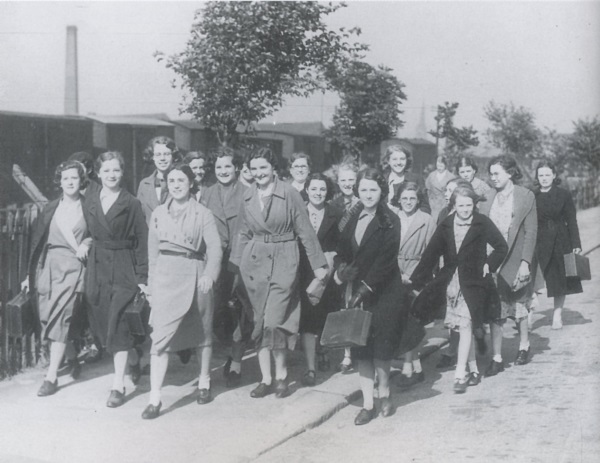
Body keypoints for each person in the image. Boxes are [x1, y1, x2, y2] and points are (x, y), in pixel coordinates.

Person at [230, 147, 328, 399]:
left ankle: (282, 375)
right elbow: (242, 231)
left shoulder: (290, 193)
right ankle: (266, 378)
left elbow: (305, 230)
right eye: (254, 169)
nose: (259, 173)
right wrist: (236, 265)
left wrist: (319, 265)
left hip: (284, 259)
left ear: (273, 168)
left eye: (263, 167)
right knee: (260, 321)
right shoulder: (248, 195)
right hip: (254, 262)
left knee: (275, 321)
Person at [141, 163, 222, 419]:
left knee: (201, 332)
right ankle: (155, 398)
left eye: (181, 181)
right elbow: (152, 253)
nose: (176, 185)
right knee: (160, 339)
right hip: (165, 276)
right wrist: (151, 286)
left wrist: (210, 274)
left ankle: (204, 382)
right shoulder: (158, 213)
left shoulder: (203, 214)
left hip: (195, 275)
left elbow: (216, 249)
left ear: (191, 184)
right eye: (172, 181)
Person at [410, 186, 507, 393]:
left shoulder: (482, 223)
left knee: (465, 326)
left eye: (469, 205)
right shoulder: (446, 225)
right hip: (452, 284)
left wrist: (489, 264)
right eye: (461, 205)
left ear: (474, 205)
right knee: (465, 328)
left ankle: (459, 374)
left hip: (475, 283)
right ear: (453, 205)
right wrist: (415, 280)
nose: (465, 209)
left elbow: (501, 246)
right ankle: (473, 369)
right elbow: (431, 254)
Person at [334, 168, 406, 425]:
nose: (367, 194)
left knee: (381, 350)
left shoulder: (390, 219)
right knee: (361, 349)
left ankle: (384, 390)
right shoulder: (351, 216)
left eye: (373, 189)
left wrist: (364, 289)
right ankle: (367, 404)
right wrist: (341, 270)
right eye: (363, 189)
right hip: (356, 290)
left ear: (382, 191)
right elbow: (341, 249)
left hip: (384, 292)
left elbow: (386, 262)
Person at [84, 151, 148, 408]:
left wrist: (142, 277)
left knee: (119, 324)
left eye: (116, 170)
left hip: (123, 266)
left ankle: (117, 384)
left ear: (122, 173)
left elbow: (142, 241)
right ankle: (133, 357)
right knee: (103, 323)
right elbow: (88, 230)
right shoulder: (90, 200)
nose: (111, 175)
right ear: (98, 173)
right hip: (97, 267)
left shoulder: (131, 203)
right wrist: (85, 241)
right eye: (106, 170)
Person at [23, 161, 91, 396]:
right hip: (49, 267)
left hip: (74, 267)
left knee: (61, 317)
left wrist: (86, 242)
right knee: (47, 318)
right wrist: (27, 275)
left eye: (74, 178)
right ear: (59, 182)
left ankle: (51, 377)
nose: (70, 182)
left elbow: (99, 235)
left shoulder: (89, 207)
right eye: (65, 178)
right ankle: (72, 358)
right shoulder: (51, 208)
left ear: (81, 180)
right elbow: (37, 243)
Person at [479, 155, 539, 376]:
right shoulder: (486, 198)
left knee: (519, 306)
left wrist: (525, 262)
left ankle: (523, 345)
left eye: (497, 173)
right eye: (491, 173)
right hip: (493, 260)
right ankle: (497, 357)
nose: (493, 178)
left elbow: (531, 231)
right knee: (497, 309)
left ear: (511, 173)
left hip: (515, 258)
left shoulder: (526, 196)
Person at [201, 147, 252, 388]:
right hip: (215, 261)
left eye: (228, 166)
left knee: (239, 311)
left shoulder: (247, 193)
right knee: (215, 312)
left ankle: (237, 362)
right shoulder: (207, 194)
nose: (223, 171)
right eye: (219, 167)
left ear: (237, 168)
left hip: (240, 260)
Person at [388, 182, 436, 388]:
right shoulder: (391, 218)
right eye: (404, 198)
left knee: (411, 322)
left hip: (416, 274)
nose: (408, 202)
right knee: (396, 322)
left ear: (418, 200)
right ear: (398, 199)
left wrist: (415, 275)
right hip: (392, 273)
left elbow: (432, 253)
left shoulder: (426, 220)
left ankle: (408, 368)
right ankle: (416, 367)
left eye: (412, 199)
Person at [299, 173, 343, 386]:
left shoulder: (336, 213)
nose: (318, 193)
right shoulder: (298, 212)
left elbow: (342, 244)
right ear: (306, 190)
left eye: (322, 189)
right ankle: (310, 368)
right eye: (314, 189)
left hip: (327, 273)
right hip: (303, 272)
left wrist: (332, 261)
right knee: (307, 320)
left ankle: (323, 350)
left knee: (324, 317)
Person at [534, 160, 583, 329]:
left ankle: (557, 316)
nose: (544, 178)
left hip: (561, 241)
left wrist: (576, 243)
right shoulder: (532, 196)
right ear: (537, 177)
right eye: (541, 175)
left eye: (547, 175)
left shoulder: (563, 194)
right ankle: (528, 316)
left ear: (554, 175)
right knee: (535, 280)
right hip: (539, 241)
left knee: (560, 279)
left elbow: (571, 220)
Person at [329, 160, 360, 373]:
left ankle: (363, 350)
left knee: (361, 305)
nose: (347, 184)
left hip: (361, 259)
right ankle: (347, 354)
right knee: (345, 305)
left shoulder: (363, 201)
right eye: (343, 180)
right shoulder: (334, 204)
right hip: (342, 261)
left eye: (351, 180)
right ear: (337, 182)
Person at [137, 136, 181, 226]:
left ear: (173, 156)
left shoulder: (182, 182)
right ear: (152, 157)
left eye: (167, 154)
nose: (162, 158)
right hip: (150, 238)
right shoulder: (144, 185)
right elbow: (139, 218)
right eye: (158, 154)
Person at [381, 145, 430, 213]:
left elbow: (426, 208)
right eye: (394, 159)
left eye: (402, 159)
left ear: (407, 160)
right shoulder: (382, 180)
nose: (399, 163)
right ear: (388, 161)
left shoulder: (416, 180)